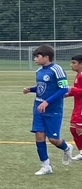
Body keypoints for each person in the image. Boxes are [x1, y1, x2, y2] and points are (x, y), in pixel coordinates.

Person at [23, 44, 73, 175]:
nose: (35, 59)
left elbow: (64, 89)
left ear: (46, 57)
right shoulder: (39, 71)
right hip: (38, 108)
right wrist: (31, 89)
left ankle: (67, 147)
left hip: (53, 109)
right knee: (39, 136)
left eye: (37, 56)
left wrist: (47, 102)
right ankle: (46, 166)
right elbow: (42, 88)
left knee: (53, 139)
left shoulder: (57, 70)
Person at [68, 54, 82, 162]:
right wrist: (65, 94)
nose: (71, 65)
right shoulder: (78, 75)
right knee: (73, 129)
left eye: (74, 63)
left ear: (81, 64)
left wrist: (72, 90)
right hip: (77, 106)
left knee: (78, 129)